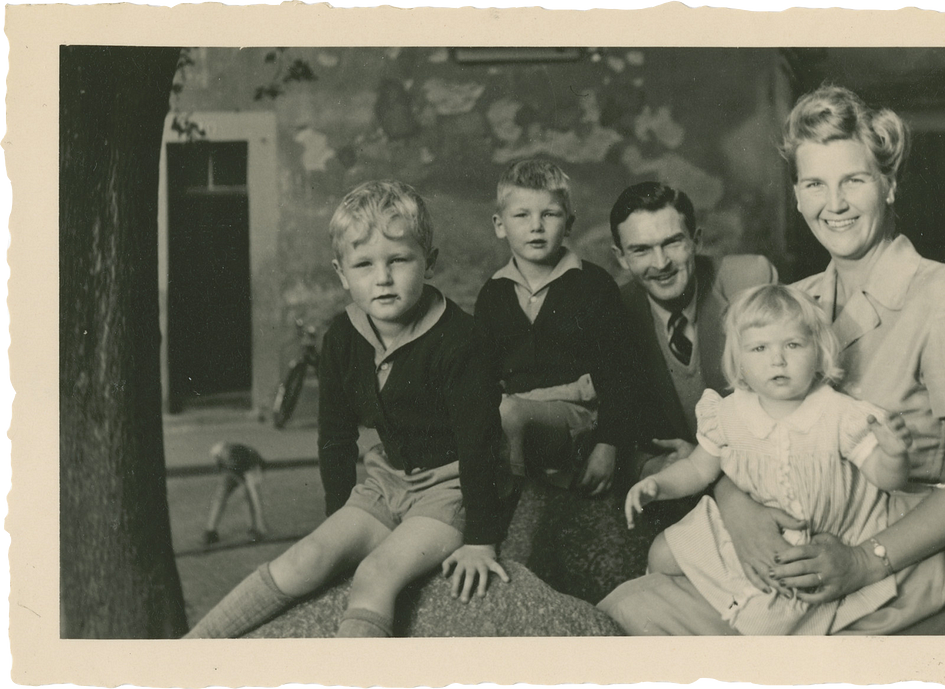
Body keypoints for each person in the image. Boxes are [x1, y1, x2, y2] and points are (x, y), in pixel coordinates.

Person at [596, 84, 945, 635]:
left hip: (903, 572)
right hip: (797, 559)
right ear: (796, 196)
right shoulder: (795, 303)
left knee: (640, 620)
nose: (834, 204)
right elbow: (739, 434)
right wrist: (740, 512)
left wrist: (866, 559)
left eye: (855, 180)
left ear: (889, 185)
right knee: (628, 603)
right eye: (815, 183)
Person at [185, 180, 509, 639]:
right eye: (364, 265)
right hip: (386, 482)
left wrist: (481, 539)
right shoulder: (342, 336)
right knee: (306, 559)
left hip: (450, 486)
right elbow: (336, 438)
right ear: (341, 273)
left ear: (429, 262)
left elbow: (481, 443)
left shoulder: (462, 341)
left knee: (375, 575)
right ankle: (185, 653)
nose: (382, 278)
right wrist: (338, 523)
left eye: (398, 260)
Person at [602, 284, 913, 635]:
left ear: (819, 352)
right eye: (759, 348)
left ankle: (736, 613)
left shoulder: (840, 415)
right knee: (661, 553)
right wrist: (658, 485)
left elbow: (886, 478)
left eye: (793, 345)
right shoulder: (730, 412)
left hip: (809, 536)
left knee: (768, 616)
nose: (777, 360)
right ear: (740, 361)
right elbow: (697, 468)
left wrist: (894, 455)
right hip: (742, 521)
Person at [474, 160, 641, 496]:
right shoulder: (494, 293)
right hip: (518, 416)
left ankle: (507, 517)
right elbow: (482, 374)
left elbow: (620, 374)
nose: (536, 226)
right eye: (522, 215)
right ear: (499, 224)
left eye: (549, 214)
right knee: (483, 413)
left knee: (508, 414)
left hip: (580, 419)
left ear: (569, 224)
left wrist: (608, 446)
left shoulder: (593, 285)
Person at [609, 181, 777, 478]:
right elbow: (614, 430)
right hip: (679, 486)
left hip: (761, 469)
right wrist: (651, 465)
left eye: (673, 242)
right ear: (621, 257)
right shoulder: (614, 312)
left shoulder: (747, 281)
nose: (660, 263)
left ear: (696, 240)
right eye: (641, 250)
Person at [202, 441, 268, 546]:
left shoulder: (252, 458)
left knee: (248, 496)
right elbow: (221, 466)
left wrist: (261, 523)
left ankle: (254, 528)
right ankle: (211, 531)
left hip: (250, 469)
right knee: (220, 495)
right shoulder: (219, 450)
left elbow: (256, 498)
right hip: (231, 470)